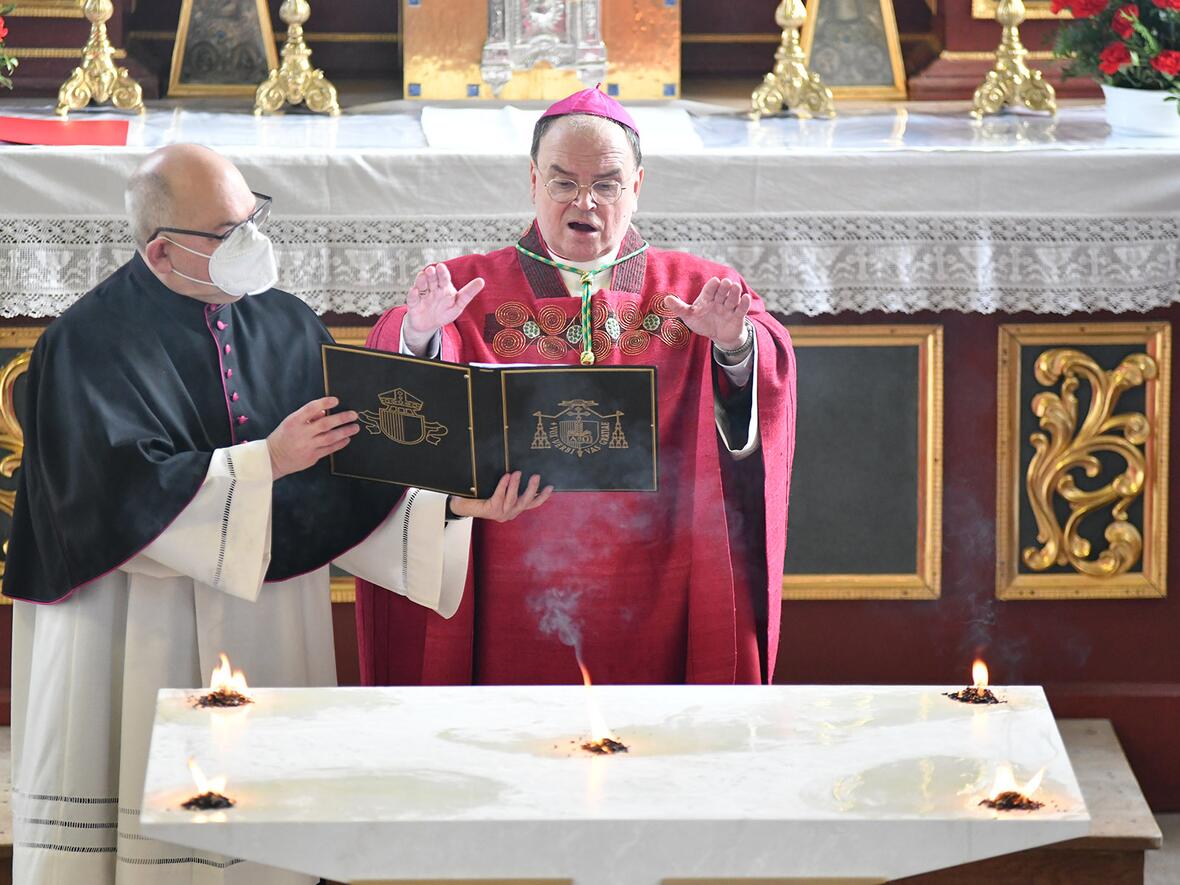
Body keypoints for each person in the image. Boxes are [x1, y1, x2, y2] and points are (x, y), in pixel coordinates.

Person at [2, 144, 549, 885]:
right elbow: (112, 497)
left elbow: (347, 476)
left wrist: (454, 502)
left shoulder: (289, 323)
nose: (251, 240)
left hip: (267, 615)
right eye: (227, 232)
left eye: (253, 216)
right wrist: (266, 461)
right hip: (140, 624)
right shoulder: (84, 343)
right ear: (161, 251)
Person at [356, 87, 796, 688]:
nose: (583, 202)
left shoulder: (699, 291)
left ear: (637, 186)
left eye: (606, 185)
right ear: (533, 181)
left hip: (662, 571)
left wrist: (734, 346)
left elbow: (766, 387)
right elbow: (397, 410)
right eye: (563, 182)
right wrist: (420, 336)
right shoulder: (465, 291)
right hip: (506, 568)